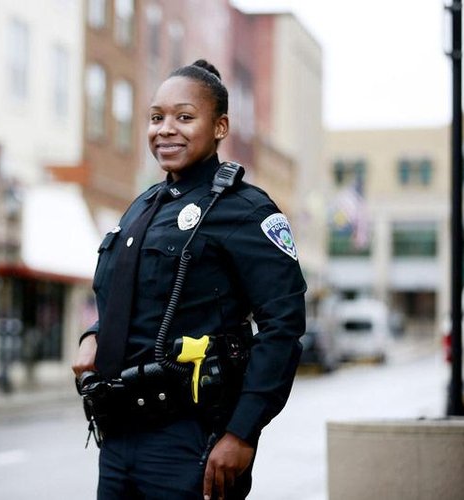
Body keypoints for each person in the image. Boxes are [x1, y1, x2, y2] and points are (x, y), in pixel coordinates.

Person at [73, 59, 306, 500]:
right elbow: (126, 299)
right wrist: (93, 334)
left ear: (219, 127)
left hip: (192, 439)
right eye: (157, 117)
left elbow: (283, 327)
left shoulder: (246, 210)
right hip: (119, 438)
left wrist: (242, 433)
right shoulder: (142, 208)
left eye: (184, 117)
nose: (165, 129)